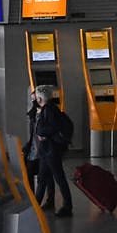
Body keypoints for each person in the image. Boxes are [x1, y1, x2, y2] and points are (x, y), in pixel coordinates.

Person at [26, 86, 75, 217]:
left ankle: (67, 206)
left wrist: (41, 133)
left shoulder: (49, 110)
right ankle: (36, 206)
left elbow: (47, 128)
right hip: (46, 150)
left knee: (59, 178)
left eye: (36, 98)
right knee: (43, 178)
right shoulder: (51, 108)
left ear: (40, 98)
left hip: (50, 150)